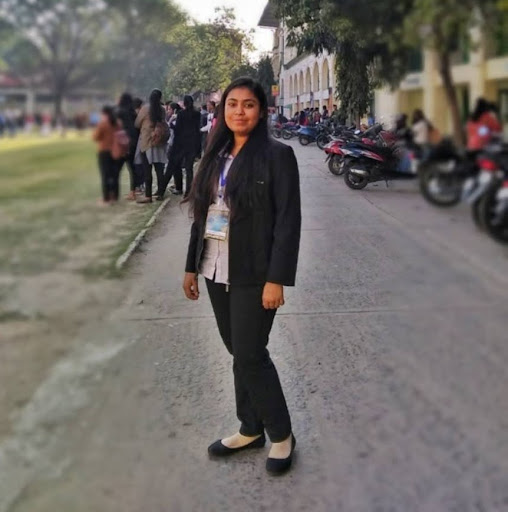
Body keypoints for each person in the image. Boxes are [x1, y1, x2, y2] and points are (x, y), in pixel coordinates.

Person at [182, 77, 301, 475]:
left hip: (255, 273)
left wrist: (276, 278)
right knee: (240, 352)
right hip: (214, 268)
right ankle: (250, 427)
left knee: (250, 354)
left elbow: (288, 221)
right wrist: (190, 265)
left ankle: (281, 433)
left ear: (261, 111)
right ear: (222, 110)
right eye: (232, 104)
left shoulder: (277, 156)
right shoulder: (214, 154)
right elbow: (202, 213)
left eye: (248, 104)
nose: (239, 111)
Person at [135, 89, 168, 203]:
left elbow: (137, 123)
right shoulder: (162, 109)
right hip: (159, 141)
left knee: (147, 170)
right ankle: (160, 193)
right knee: (159, 170)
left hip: (147, 142)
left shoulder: (145, 109)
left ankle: (148, 196)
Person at [165, 95, 201, 197]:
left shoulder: (181, 114)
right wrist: (198, 149)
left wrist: (171, 125)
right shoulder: (197, 114)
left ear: (184, 103)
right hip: (192, 143)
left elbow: (178, 129)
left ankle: (179, 187)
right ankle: (189, 191)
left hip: (181, 144)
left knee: (177, 166)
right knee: (189, 168)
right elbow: (197, 130)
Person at [93, 106, 121, 205]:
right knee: (114, 175)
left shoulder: (103, 124)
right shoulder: (117, 123)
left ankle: (106, 197)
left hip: (104, 152)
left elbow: (95, 137)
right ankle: (115, 196)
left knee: (105, 175)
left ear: (105, 114)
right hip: (115, 151)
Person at [117, 92, 141, 200]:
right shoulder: (133, 113)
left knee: (116, 168)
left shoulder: (119, 112)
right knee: (132, 168)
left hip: (122, 142)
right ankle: (133, 192)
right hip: (133, 142)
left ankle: (113, 192)